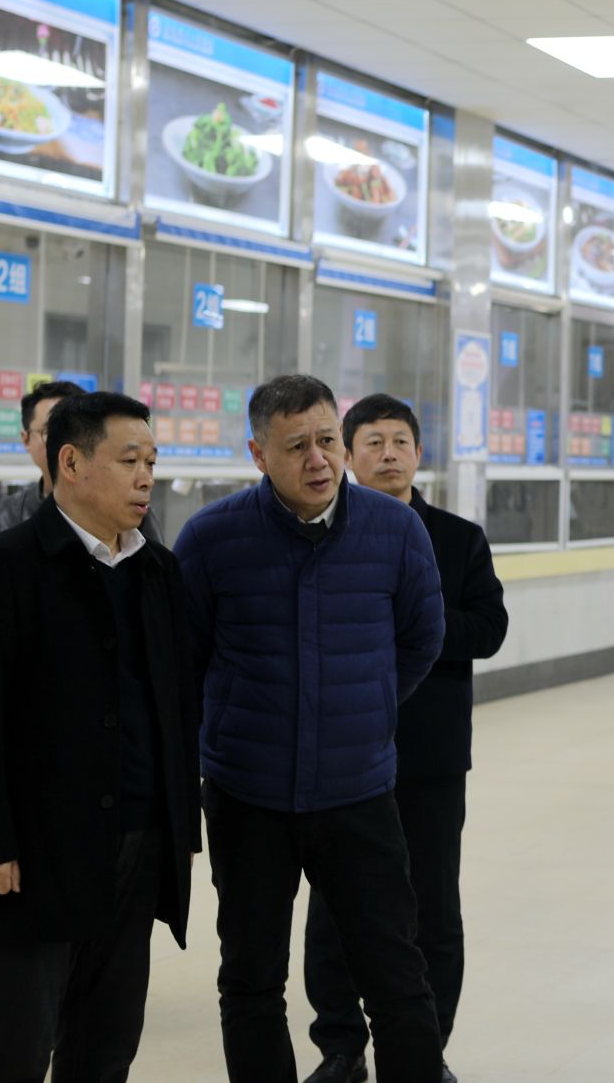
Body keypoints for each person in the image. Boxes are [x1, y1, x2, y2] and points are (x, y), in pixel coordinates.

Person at [176, 374, 447, 1083]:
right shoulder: (212, 537)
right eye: (297, 446)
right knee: (251, 979)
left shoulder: (395, 530)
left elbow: (423, 637)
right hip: (247, 795)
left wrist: (364, 707)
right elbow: (185, 658)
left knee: (395, 975)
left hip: (358, 793)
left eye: (328, 440)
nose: (319, 459)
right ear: (258, 454)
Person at [0, 390, 200, 1083]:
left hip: (139, 841)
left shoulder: (158, 570)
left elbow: (179, 705)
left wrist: (180, 825)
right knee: (17, 1044)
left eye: (152, 462)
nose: (146, 477)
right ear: (72, 463)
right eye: (129, 460)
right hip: (36, 850)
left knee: (107, 1040)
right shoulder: (2, 567)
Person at [303, 395, 509, 1083]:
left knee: (431, 904)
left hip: (431, 756)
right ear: (345, 455)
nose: (388, 453)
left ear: (419, 453)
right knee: (333, 905)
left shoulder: (458, 539)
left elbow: (490, 629)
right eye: (372, 441)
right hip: (340, 753)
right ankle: (340, 1046)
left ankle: (427, 1047)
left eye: (400, 441)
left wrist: (415, 620)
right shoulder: (320, 533)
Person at [0, 379, 83, 546]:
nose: (64, 443)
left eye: (74, 430)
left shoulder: (117, 509)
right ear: (26, 440)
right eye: (50, 431)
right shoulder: (7, 516)